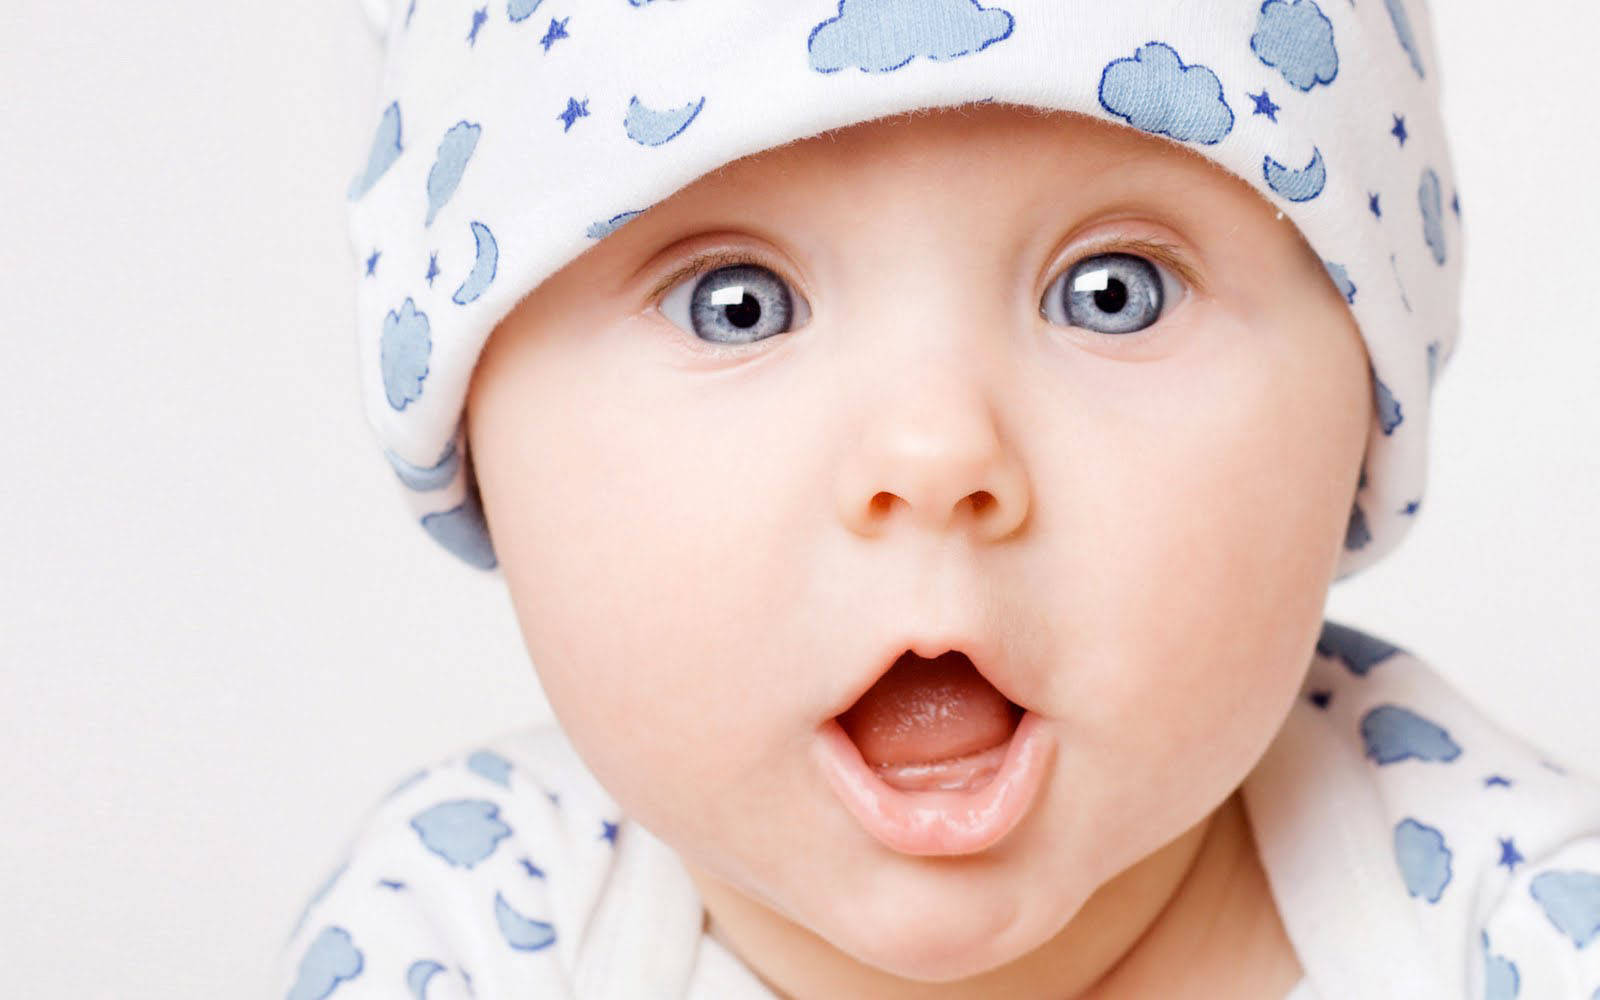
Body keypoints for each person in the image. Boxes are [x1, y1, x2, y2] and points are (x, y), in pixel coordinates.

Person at [278, 2, 1600, 996]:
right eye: (736, 305)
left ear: (1364, 414)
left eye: (1113, 291)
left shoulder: (1516, 927)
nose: (934, 455)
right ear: (471, 443)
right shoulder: (455, 941)